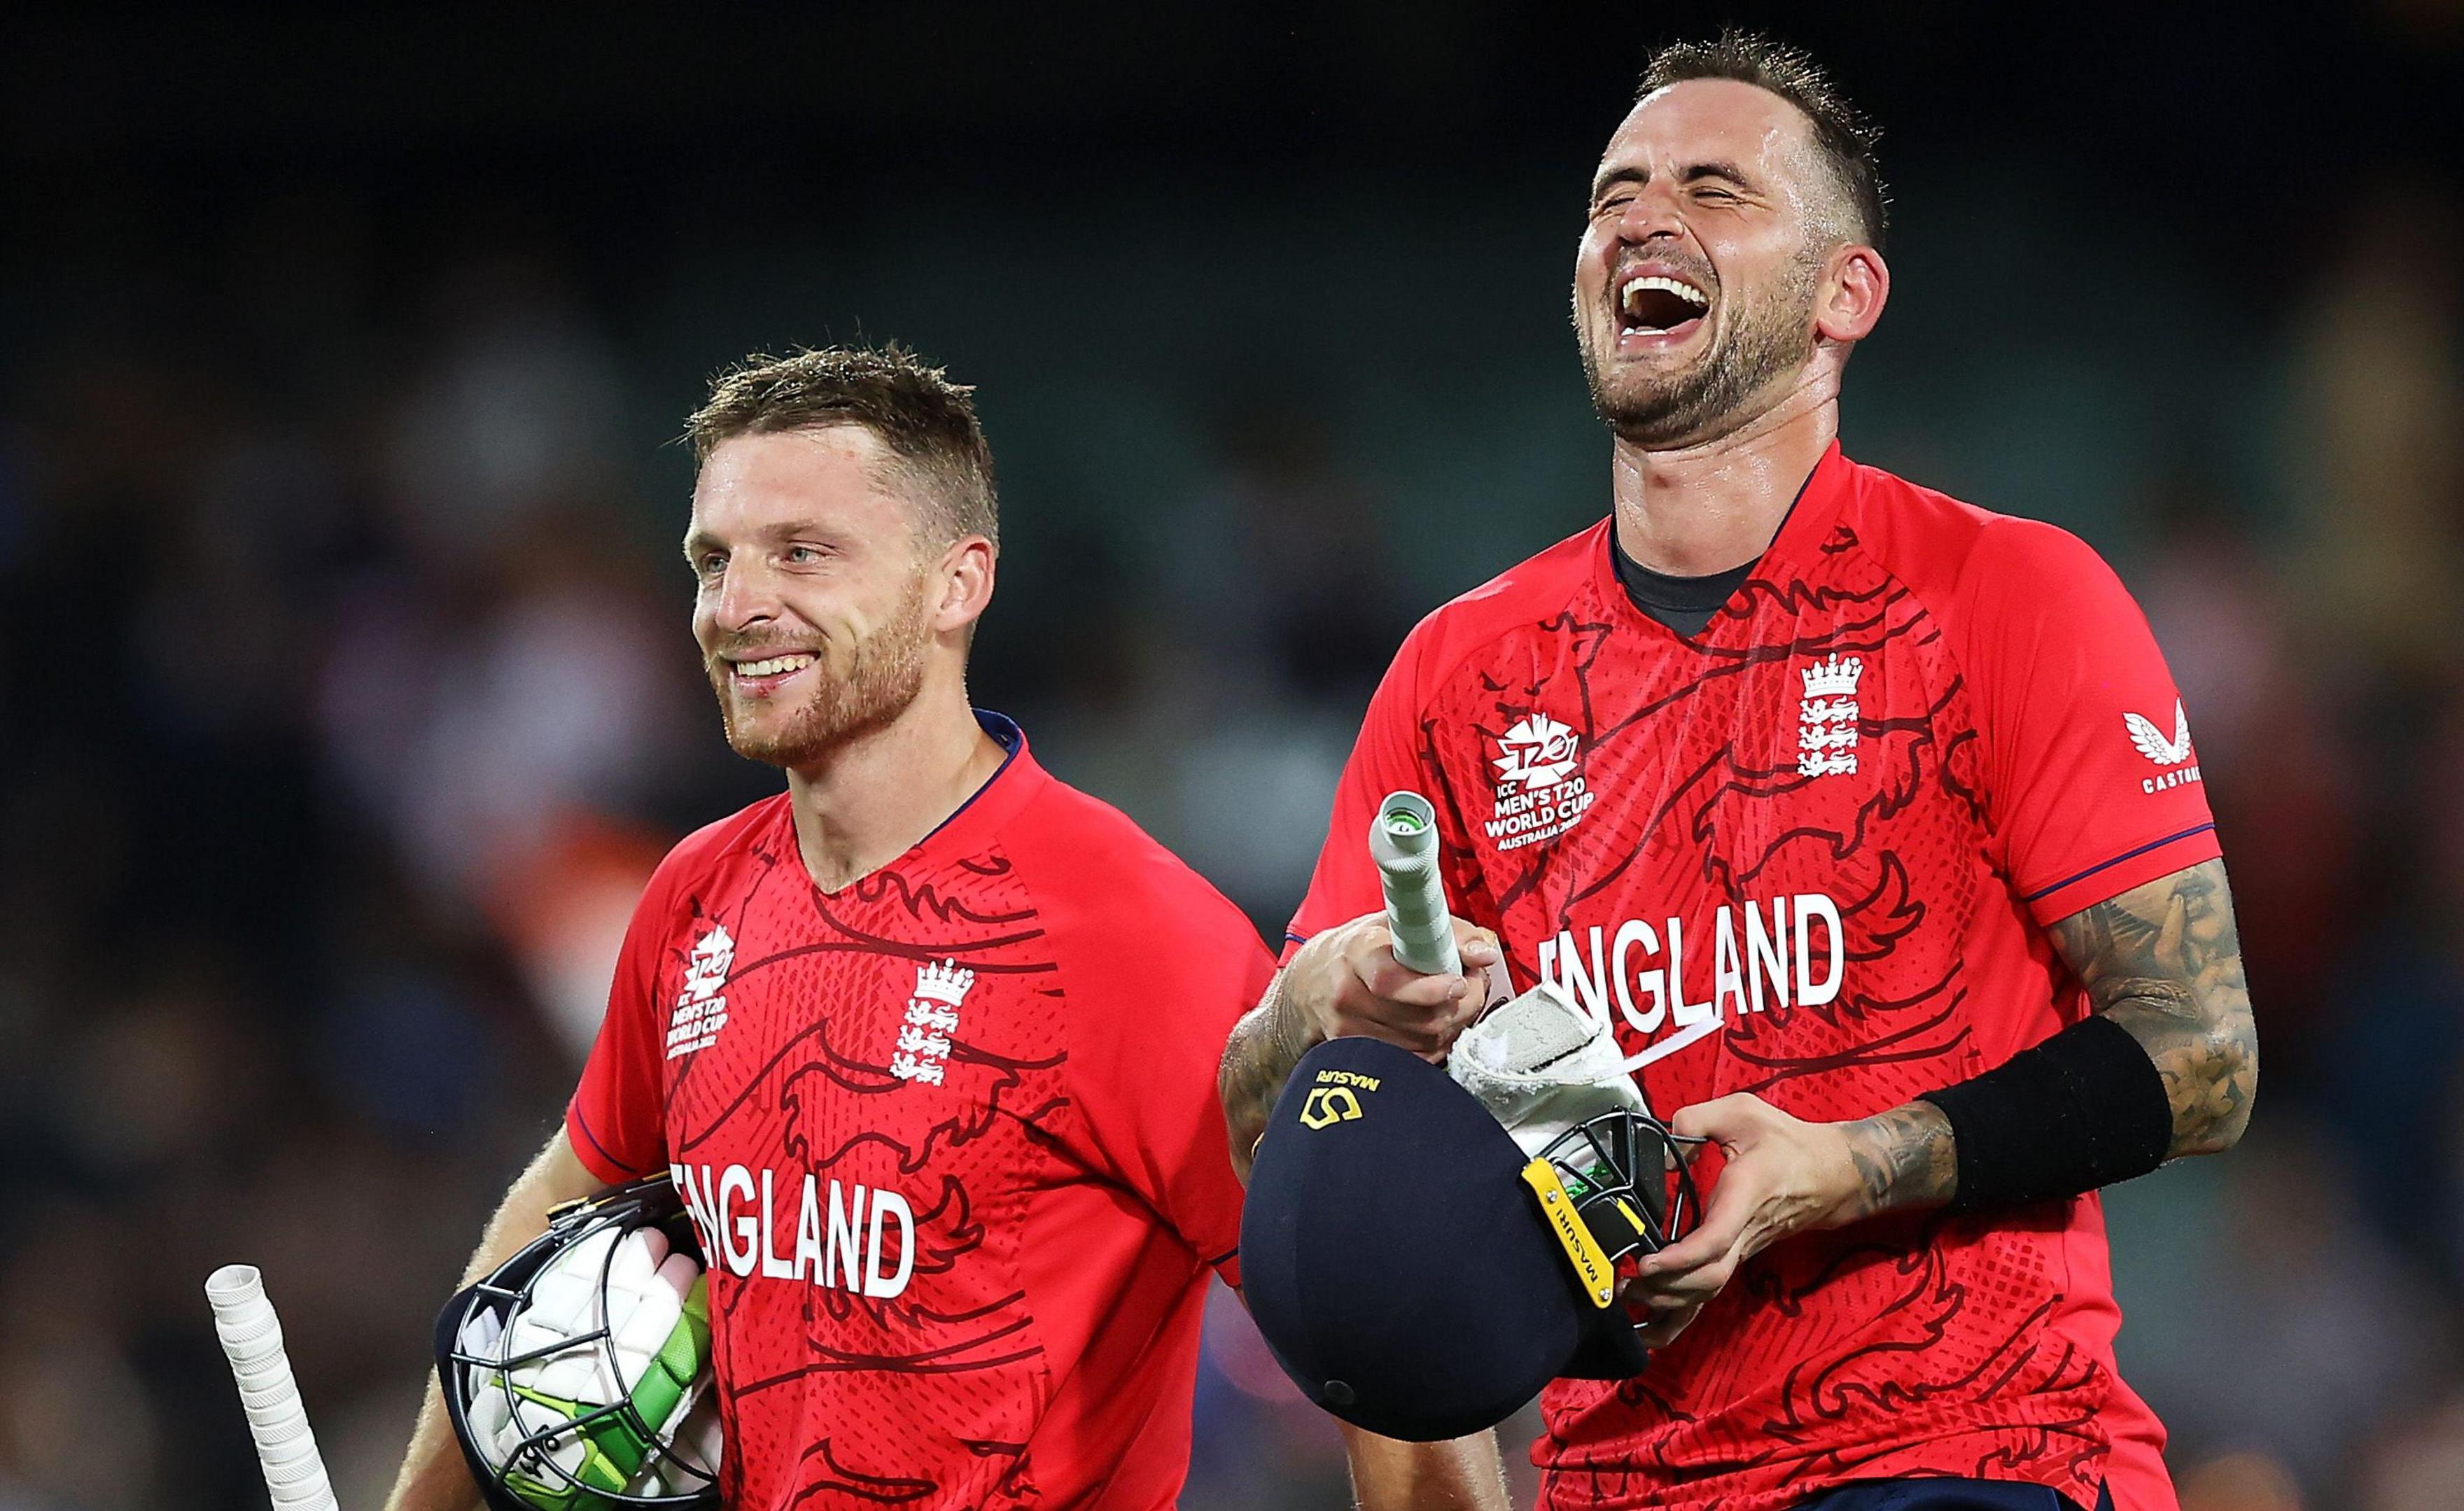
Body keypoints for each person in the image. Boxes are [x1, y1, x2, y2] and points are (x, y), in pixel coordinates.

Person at [1222, 31, 2258, 1511]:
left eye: (1716, 188)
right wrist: (1318, 1003)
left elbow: (2204, 1053)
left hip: (1970, 1455)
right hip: (1624, 1482)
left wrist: (1847, 1167)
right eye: (1615, 192)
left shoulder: (2005, 596)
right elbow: (1291, 1144)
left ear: (1848, 295)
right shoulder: (1460, 676)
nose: (1645, 218)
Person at [384, 345, 1488, 1510]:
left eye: (803, 553)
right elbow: (569, 1189)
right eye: (715, 559)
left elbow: (1377, 1324)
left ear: (959, 584)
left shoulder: (1129, 936)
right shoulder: (695, 894)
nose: (736, 607)